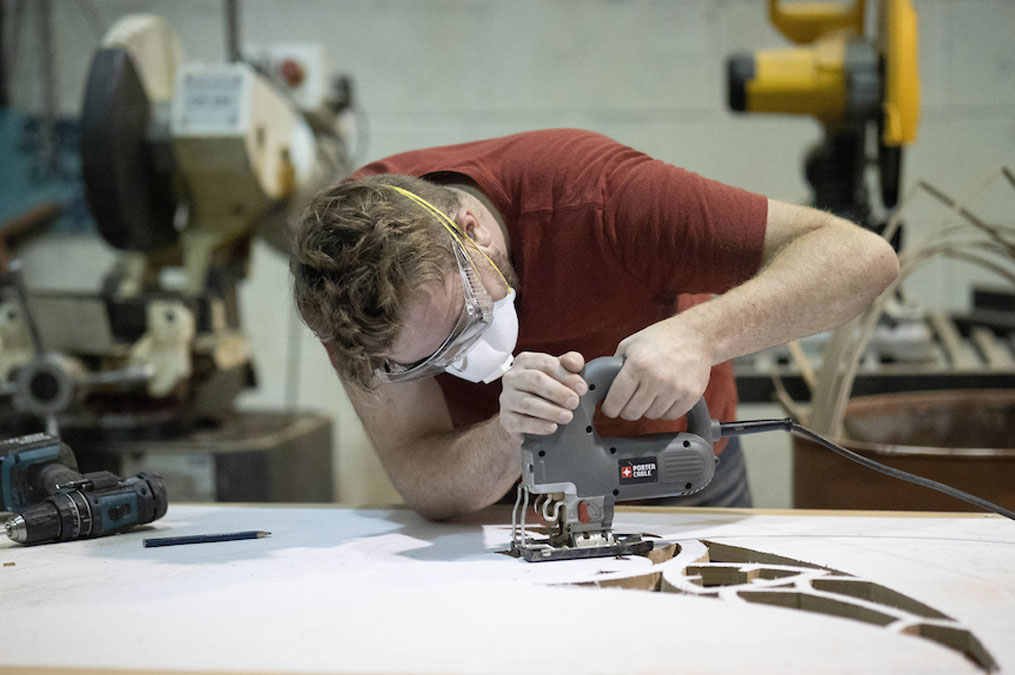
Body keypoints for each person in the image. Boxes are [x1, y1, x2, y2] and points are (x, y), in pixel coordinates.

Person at [289, 129, 898, 520]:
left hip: (676, 464)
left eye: (468, 320)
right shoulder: (348, 290)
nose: (472, 360)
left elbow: (861, 258)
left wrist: (702, 335)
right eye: (435, 360)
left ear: (470, 228)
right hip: (511, 493)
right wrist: (507, 432)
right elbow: (421, 475)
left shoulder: (601, 200)